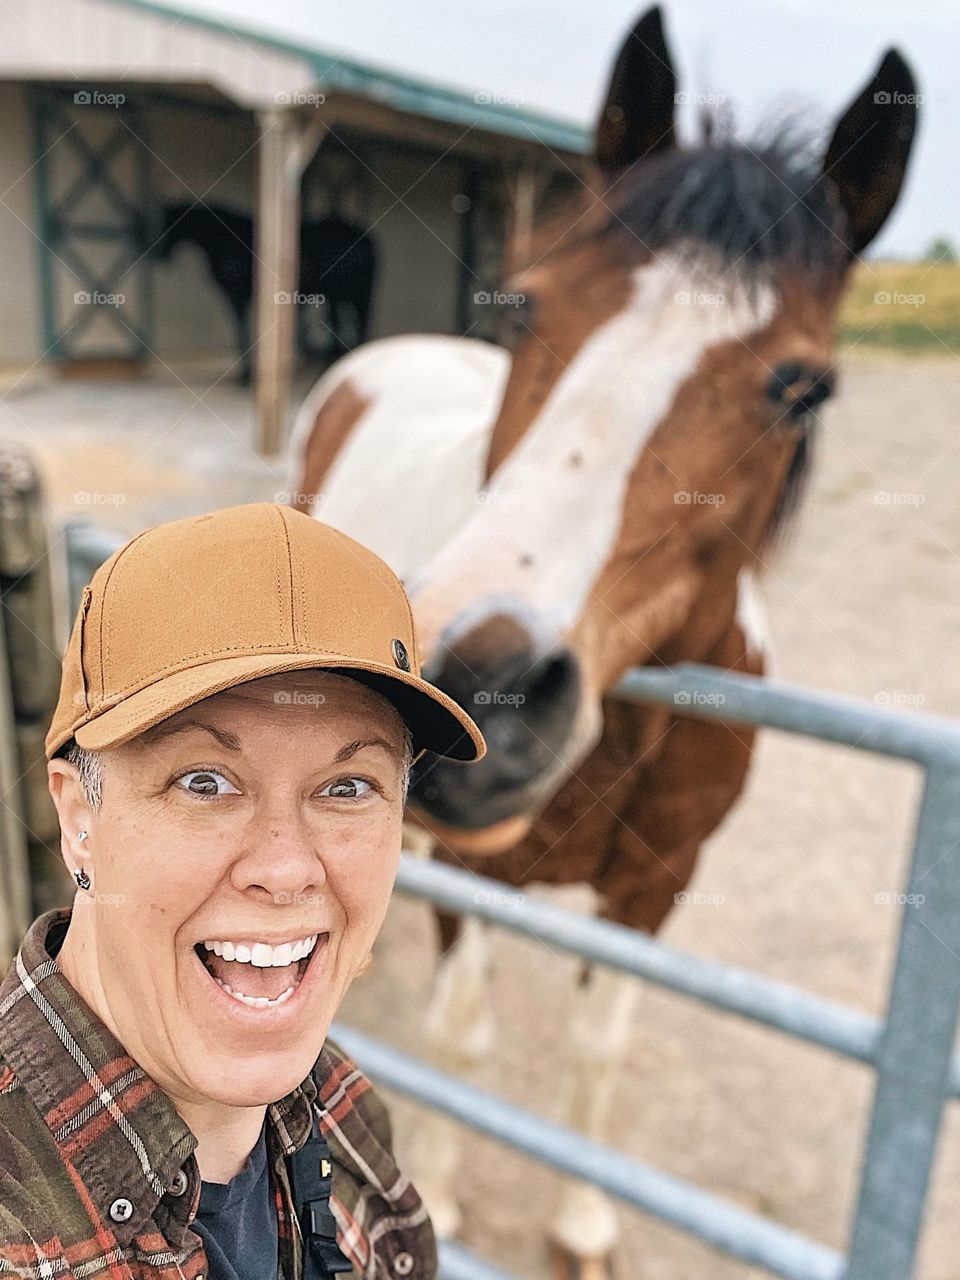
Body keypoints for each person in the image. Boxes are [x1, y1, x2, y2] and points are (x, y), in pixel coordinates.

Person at [0, 502, 486, 1279]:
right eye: (205, 782)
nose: (287, 867)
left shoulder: (344, 1110)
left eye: (347, 787)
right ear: (78, 814)